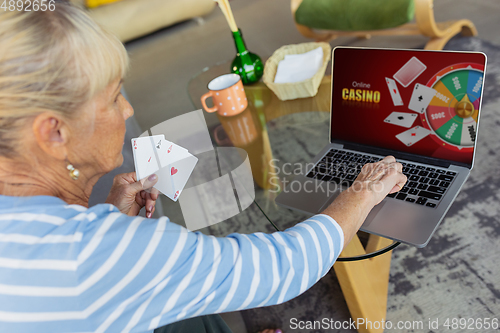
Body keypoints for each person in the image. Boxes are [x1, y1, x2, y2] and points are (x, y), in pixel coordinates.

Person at [0, 3, 407, 333]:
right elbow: (285, 266)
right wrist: (362, 191)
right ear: (53, 132)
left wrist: (106, 223)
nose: (128, 109)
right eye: (111, 100)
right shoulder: (96, 255)